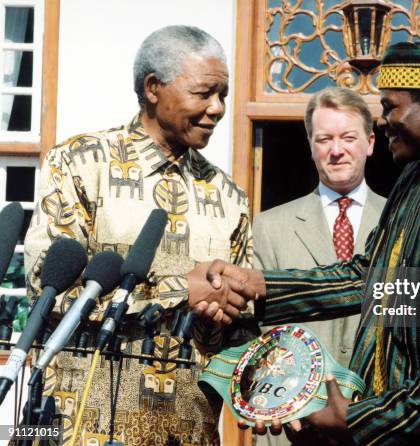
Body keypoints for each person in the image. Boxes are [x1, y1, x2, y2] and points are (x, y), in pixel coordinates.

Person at [197, 41, 420, 445]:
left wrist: (361, 420)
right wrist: (259, 285)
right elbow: (368, 278)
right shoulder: (416, 180)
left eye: (391, 107)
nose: (383, 122)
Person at [24, 25, 251, 445]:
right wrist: (180, 290)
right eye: (205, 93)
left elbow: (240, 334)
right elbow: (46, 289)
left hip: (189, 433)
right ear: (152, 88)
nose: (218, 108)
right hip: (78, 431)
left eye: (224, 94)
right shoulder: (79, 164)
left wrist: (232, 311)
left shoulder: (230, 195)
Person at [253, 87, 385, 446]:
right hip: (293, 426)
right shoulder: (269, 226)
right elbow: (255, 332)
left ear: (370, 143)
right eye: (325, 138)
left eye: (348, 137)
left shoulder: (402, 223)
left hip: (375, 426)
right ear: (311, 145)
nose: (336, 150)